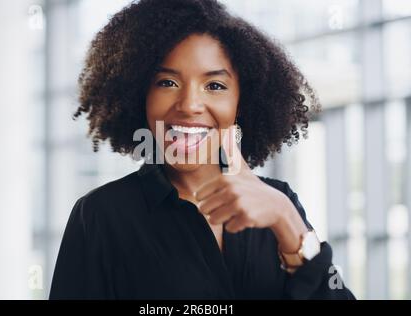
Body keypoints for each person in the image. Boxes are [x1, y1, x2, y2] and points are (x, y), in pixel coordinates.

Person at [49, 0, 355, 299]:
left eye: (215, 86)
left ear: (241, 103)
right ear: (140, 95)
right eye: (167, 82)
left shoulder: (279, 202)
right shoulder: (101, 217)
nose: (190, 105)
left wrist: (286, 219)